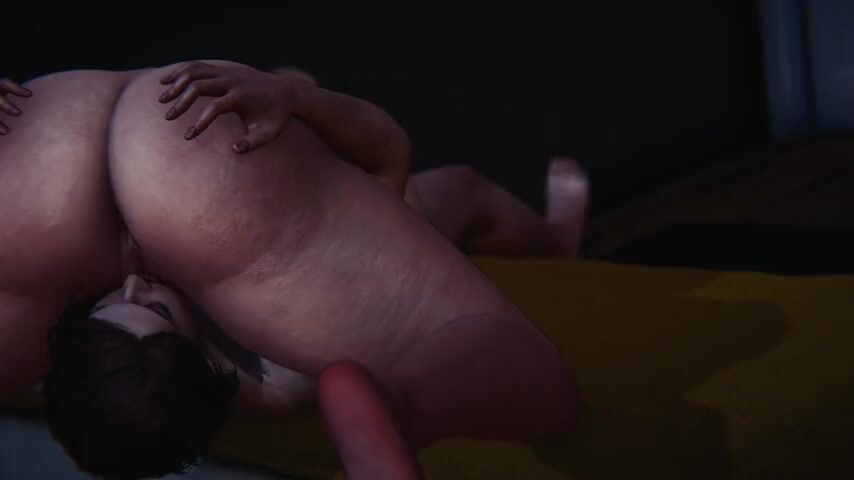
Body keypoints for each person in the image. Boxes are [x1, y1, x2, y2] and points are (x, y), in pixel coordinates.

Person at [1, 61, 584, 478]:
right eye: (156, 308)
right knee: (469, 222)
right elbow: (388, 160)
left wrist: (307, 102)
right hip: (162, 141)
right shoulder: (272, 376)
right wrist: (300, 98)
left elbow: (386, 168)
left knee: (463, 220)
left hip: (87, 186)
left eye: (103, 309)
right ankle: (402, 406)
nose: (134, 281)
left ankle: (407, 408)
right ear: (205, 362)